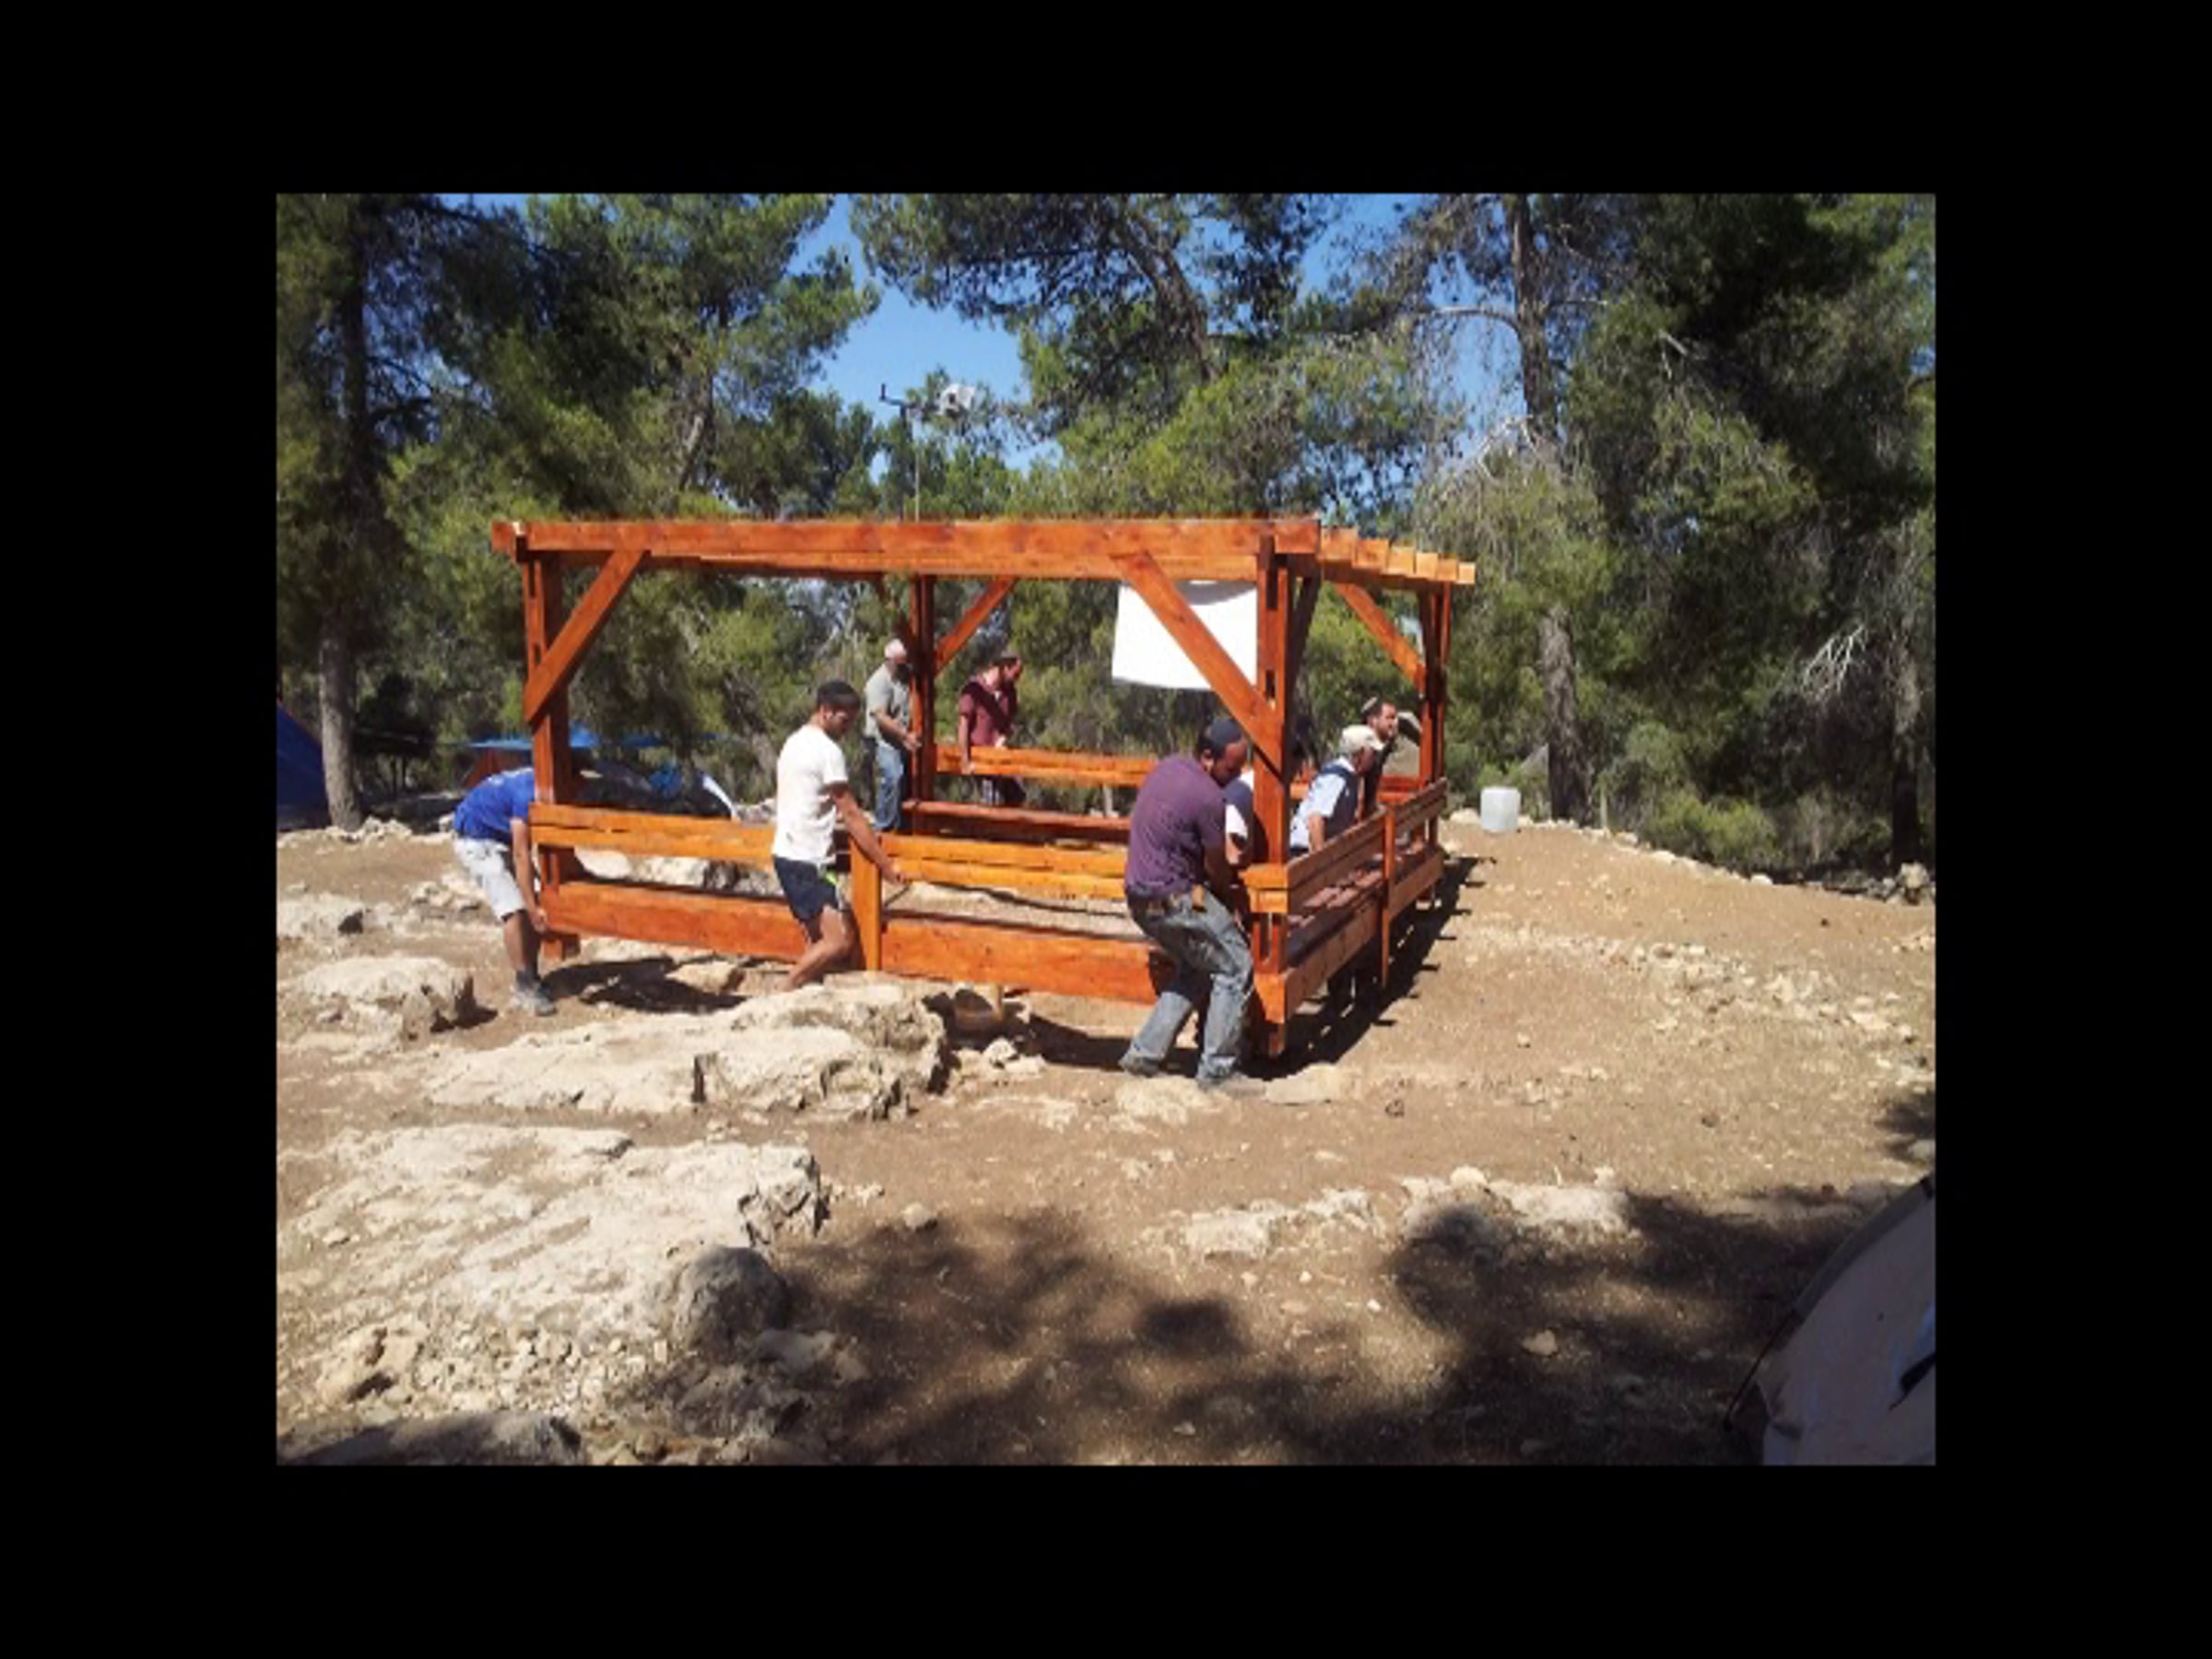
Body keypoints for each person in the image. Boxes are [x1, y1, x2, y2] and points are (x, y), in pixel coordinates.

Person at [1118, 716, 1264, 1095]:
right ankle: (1218, 1070)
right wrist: (1230, 903)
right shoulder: (1209, 798)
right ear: (1208, 757)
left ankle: (1144, 1055)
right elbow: (1217, 869)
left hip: (1140, 896)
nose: (1236, 776)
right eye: (1231, 768)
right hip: (1178, 898)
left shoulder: (1167, 768)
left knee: (1198, 967)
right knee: (1236, 964)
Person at [773, 681, 905, 991]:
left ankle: (802, 996)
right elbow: (851, 813)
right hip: (807, 859)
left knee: (818, 939)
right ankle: (787, 988)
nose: (847, 729)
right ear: (826, 711)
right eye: (844, 720)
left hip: (787, 853)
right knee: (840, 939)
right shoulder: (828, 752)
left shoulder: (793, 742)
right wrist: (885, 865)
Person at [450, 764, 582, 1016]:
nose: (580, 791)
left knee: (539, 898)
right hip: (476, 840)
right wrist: (531, 908)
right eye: (579, 784)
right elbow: (522, 853)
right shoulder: (528, 794)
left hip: (499, 839)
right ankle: (524, 986)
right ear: (568, 779)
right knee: (515, 909)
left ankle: (531, 975)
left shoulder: (546, 787)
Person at [1289, 724, 1386, 855]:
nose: (1375, 759)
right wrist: (1322, 862)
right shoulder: (1335, 777)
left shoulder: (1349, 777)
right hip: (1303, 850)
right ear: (1360, 753)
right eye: (1373, 753)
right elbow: (1315, 820)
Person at [864, 637, 920, 834]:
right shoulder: (878, 682)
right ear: (891, 661)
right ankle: (883, 827)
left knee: (906, 782)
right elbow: (881, 718)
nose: (904, 667)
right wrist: (905, 736)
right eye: (901, 663)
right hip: (882, 740)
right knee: (892, 777)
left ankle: (901, 826)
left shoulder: (902, 679)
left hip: (899, 739)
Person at [958, 650, 1026, 806]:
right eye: (1015, 675)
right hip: (979, 759)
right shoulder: (974, 689)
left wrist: (1003, 739)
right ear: (1005, 668)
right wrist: (965, 761)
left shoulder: (1010, 693)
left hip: (999, 759)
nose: (1016, 680)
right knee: (990, 802)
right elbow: (963, 726)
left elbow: (1009, 726)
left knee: (1018, 794)